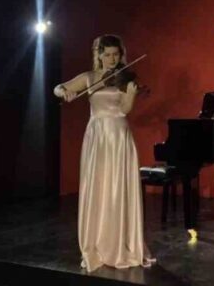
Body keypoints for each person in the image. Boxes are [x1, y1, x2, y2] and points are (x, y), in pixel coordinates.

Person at [53, 34, 155, 272]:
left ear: (121, 55)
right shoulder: (89, 77)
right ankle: (97, 243)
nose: (112, 59)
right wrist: (65, 93)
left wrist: (131, 94)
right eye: (107, 54)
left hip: (118, 135)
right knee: (98, 187)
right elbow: (58, 88)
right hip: (97, 135)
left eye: (116, 55)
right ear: (99, 55)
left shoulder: (125, 78)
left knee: (118, 188)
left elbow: (125, 110)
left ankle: (120, 245)